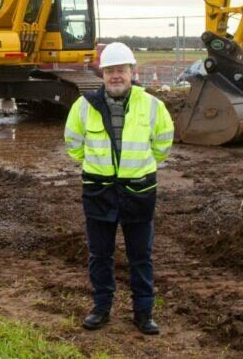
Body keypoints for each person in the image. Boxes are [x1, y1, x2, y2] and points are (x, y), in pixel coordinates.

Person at [64, 42, 174, 334]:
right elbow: (73, 143)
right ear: (102, 73)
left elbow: (162, 145)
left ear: (132, 72)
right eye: (110, 70)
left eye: (121, 70)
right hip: (99, 191)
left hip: (138, 191)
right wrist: (96, 165)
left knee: (141, 256)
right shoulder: (84, 106)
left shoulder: (152, 105)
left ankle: (143, 313)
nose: (116, 76)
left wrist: (135, 167)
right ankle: (101, 308)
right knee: (100, 255)